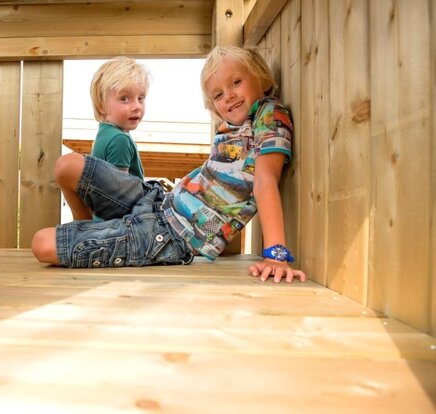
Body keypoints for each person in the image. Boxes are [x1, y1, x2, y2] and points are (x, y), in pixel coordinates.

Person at [32, 46, 307, 283]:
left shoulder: (270, 116)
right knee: (67, 165)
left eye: (236, 82)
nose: (229, 96)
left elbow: (265, 182)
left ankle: (103, 237)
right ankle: (93, 229)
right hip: (158, 200)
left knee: (42, 244)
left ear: (262, 78)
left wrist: (276, 255)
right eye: (218, 94)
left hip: (167, 235)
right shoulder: (233, 126)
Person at [90, 57, 147, 180]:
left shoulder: (105, 133)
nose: (137, 106)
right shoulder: (119, 139)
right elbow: (119, 192)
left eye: (140, 98)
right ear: (101, 106)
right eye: (124, 99)